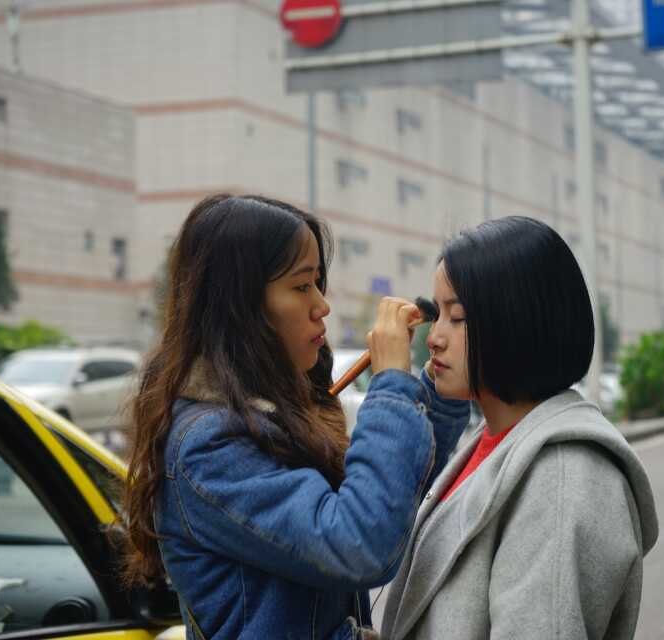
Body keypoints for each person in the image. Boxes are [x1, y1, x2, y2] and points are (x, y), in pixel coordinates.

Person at [119, 194, 469, 640]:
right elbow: (361, 544)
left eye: (318, 283)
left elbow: (391, 498)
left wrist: (437, 391)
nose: (322, 305)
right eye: (302, 286)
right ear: (241, 306)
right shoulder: (211, 446)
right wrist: (391, 386)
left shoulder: (270, 415)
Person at [380, 216, 659, 640]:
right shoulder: (494, 443)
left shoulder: (563, 477)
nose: (434, 337)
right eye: (437, 315)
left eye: (458, 317)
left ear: (518, 321)